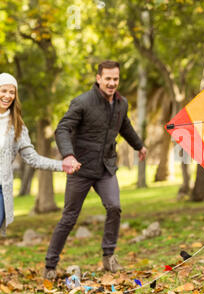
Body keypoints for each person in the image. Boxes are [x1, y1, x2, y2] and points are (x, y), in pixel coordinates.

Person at [43, 61, 147, 280]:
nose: (111, 83)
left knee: (115, 207)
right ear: (98, 78)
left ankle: (109, 256)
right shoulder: (82, 102)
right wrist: (68, 155)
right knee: (69, 218)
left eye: (115, 79)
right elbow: (62, 128)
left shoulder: (121, 103)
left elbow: (125, 125)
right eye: (107, 78)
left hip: (105, 168)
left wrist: (139, 145)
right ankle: (50, 265)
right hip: (80, 168)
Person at [0, 73, 76, 236]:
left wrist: (61, 165)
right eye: (3, 90)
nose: (7, 96)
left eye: (11, 92)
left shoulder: (17, 127)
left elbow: (32, 159)